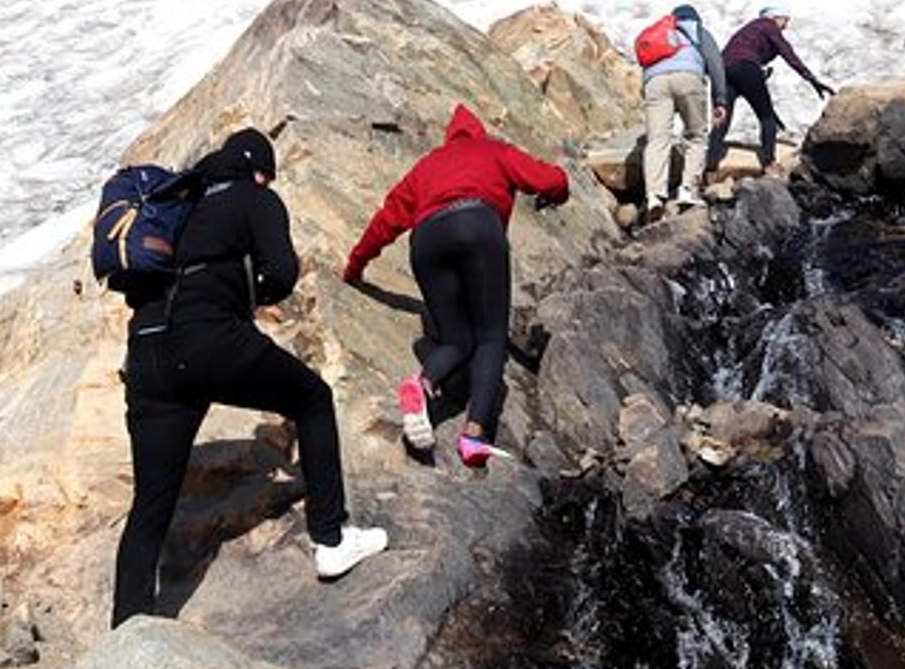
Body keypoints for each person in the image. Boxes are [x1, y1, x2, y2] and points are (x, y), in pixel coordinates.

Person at [111, 127, 385, 626]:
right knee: (312, 399)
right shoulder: (254, 198)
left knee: (151, 502)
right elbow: (280, 272)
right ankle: (331, 539)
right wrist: (248, 293)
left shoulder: (178, 202)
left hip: (147, 353)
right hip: (210, 339)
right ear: (259, 170)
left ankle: (129, 631)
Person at [343, 105, 569, 469]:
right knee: (491, 337)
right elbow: (552, 180)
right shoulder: (494, 150)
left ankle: (423, 383)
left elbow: (388, 219)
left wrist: (355, 266)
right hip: (478, 225)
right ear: (477, 132)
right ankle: (474, 436)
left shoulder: (428, 165)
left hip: (428, 239)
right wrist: (559, 194)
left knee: (455, 340)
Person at [707, 5, 832, 171]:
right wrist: (811, 78)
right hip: (746, 68)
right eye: (785, 20)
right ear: (776, 17)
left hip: (724, 72)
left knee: (722, 121)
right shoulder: (768, 25)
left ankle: (710, 166)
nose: (785, 26)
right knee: (767, 118)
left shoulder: (748, 29)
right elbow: (787, 52)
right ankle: (769, 163)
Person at [640, 3, 726, 218]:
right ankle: (687, 190)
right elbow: (715, 64)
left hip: (655, 82)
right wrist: (720, 100)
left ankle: (654, 196)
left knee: (657, 140)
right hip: (688, 78)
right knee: (696, 136)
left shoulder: (661, 34)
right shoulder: (698, 31)